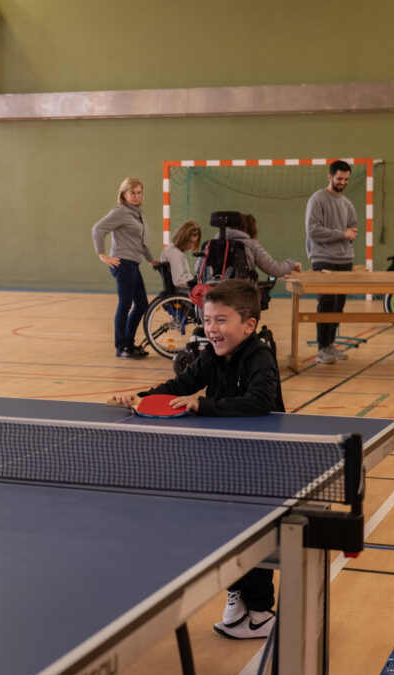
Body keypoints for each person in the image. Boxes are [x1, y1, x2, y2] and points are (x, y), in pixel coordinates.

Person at [110, 279, 282, 638]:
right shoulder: (211, 355)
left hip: (262, 460)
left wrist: (202, 404)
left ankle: (262, 612)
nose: (211, 329)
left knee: (253, 535)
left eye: (221, 320)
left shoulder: (260, 356)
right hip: (225, 457)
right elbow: (180, 385)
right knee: (224, 531)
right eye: (207, 320)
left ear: (248, 326)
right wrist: (141, 395)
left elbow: (259, 402)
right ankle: (238, 594)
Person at [92, 177, 160, 358]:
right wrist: (103, 255)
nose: (136, 196)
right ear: (124, 194)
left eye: (139, 193)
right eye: (132, 193)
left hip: (133, 263)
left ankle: (128, 343)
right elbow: (98, 229)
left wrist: (152, 260)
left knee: (142, 304)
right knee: (125, 304)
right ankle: (121, 346)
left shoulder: (137, 213)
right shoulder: (120, 212)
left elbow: (141, 242)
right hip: (123, 263)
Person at [305, 160, 358, 365]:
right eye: (339, 179)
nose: (343, 182)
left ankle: (330, 345)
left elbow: (352, 226)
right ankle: (322, 348)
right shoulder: (317, 200)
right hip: (323, 258)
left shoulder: (347, 203)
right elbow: (313, 230)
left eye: (346, 179)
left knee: (339, 304)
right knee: (327, 301)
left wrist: (351, 234)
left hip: (345, 259)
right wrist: (341, 234)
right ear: (330, 177)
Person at [159, 220, 201, 294]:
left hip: (182, 289)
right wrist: (194, 283)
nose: (191, 246)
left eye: (194, 243)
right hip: (182, 291)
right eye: (190, 242)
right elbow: (178, 281)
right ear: (183, 238)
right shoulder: (175, 253)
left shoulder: (171, 248)